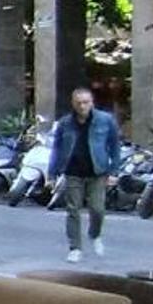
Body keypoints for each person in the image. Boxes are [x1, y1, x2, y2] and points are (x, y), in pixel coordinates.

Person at [50, 86, 121, 262]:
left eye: (86, 102)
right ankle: (75, 248)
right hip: (73, 171)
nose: (82, 106)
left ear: (92, 103)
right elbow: (57, 148)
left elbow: (114, 146)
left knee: (97, 209)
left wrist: (114, 171)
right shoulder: (65, 123)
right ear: (73, 104)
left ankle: (95, 234)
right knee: (73, 209)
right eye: (79, 103)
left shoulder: (105, 120)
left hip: (97, 171)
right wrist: (52, 173)